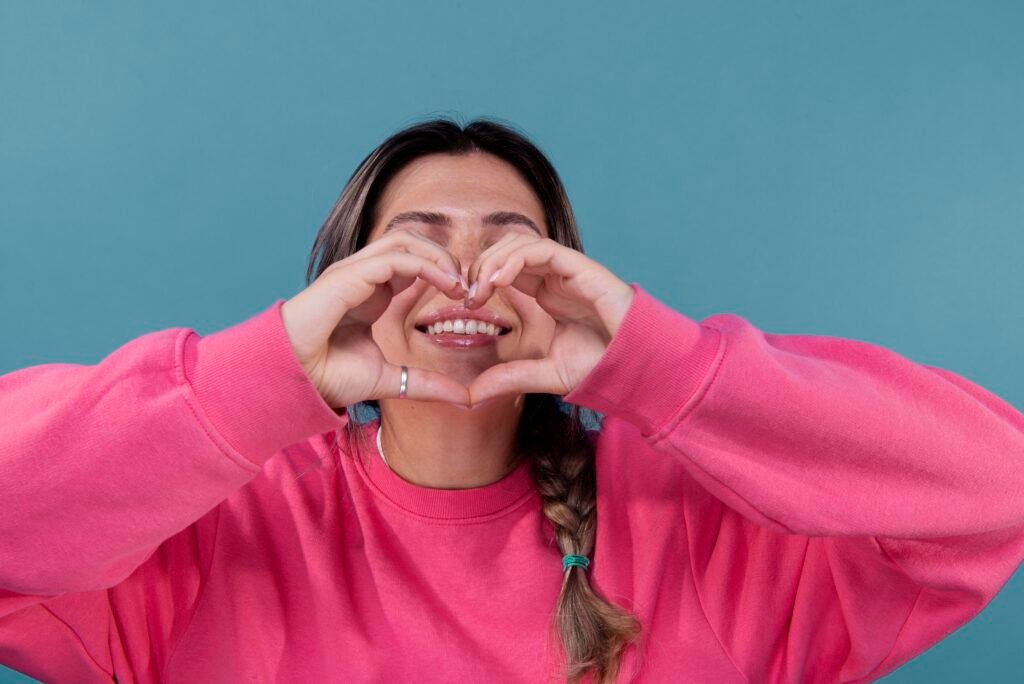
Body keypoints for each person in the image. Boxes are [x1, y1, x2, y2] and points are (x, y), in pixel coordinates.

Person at [1, 117, 1023, 684]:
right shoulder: (203, 531)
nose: (462, 276)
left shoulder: (704, 530)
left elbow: (996, 482)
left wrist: (655, 364)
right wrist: (263, 377)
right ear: (342, 287)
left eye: (505, 240)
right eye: (415, 241)